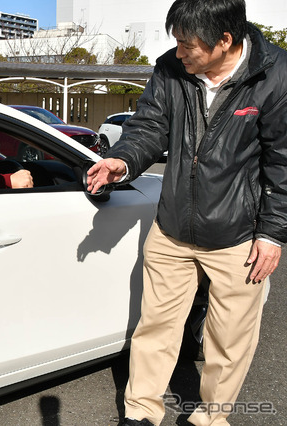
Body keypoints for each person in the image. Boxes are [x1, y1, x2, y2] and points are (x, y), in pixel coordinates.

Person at [86, 1, 287, 425]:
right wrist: (121, 161)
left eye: (186, 44)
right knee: (155, 328)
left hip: (240, 236)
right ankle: (141, 413)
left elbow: (282, 162)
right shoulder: (170, 68)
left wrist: (272, 233)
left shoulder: (276, 75)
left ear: (224, 42)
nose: (178, 53)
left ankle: (211, 418)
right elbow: (148, 127)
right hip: (173, 228)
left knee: (229, 343)